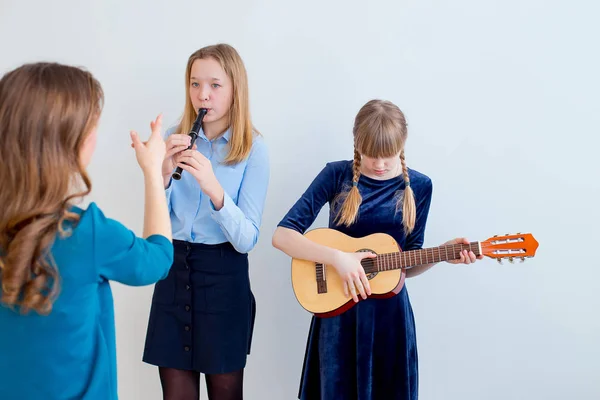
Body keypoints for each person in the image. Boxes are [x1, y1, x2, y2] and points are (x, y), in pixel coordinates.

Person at [272, 99, 483, 399]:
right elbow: (282, 235)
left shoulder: (420, 187)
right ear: (357, 143)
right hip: (338, 316)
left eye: (388, 155)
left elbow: (406, 266)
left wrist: (443, 254)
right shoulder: (336, 176)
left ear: (402, 144)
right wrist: (339, 258)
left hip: (390, 320)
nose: (380, 165)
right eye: (371, 155)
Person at [0, 62, 173, 399]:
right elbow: (158, 257)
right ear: (68, 144)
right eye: (91, 128)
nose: (95, 137)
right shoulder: (84, 233)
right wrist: (153, 171)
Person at [142, 43, 270, 400]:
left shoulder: (254, 149)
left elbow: (247, 240)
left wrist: (215, 191)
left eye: (215, 85)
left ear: (235, 90)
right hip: (173, 272)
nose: (203, 95)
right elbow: (155, 226)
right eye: (195, 84)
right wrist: (162, 174)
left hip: (224, 279)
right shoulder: (175, 137)